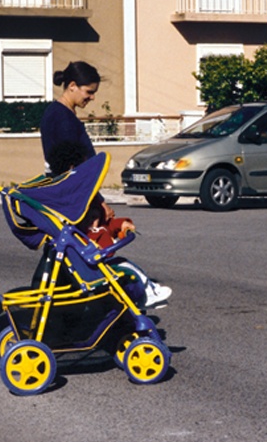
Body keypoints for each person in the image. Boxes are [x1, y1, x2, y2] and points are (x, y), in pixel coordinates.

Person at [41, 63, 171, 308]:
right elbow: (75, 170)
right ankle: (136, 293)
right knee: (92, 254)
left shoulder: (54, 114)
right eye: (88, 92)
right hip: (75, 200)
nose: (92, 97)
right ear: (72, 86)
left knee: (73, 259)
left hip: (67, 197)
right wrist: (98, 202)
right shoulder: (64, 119)